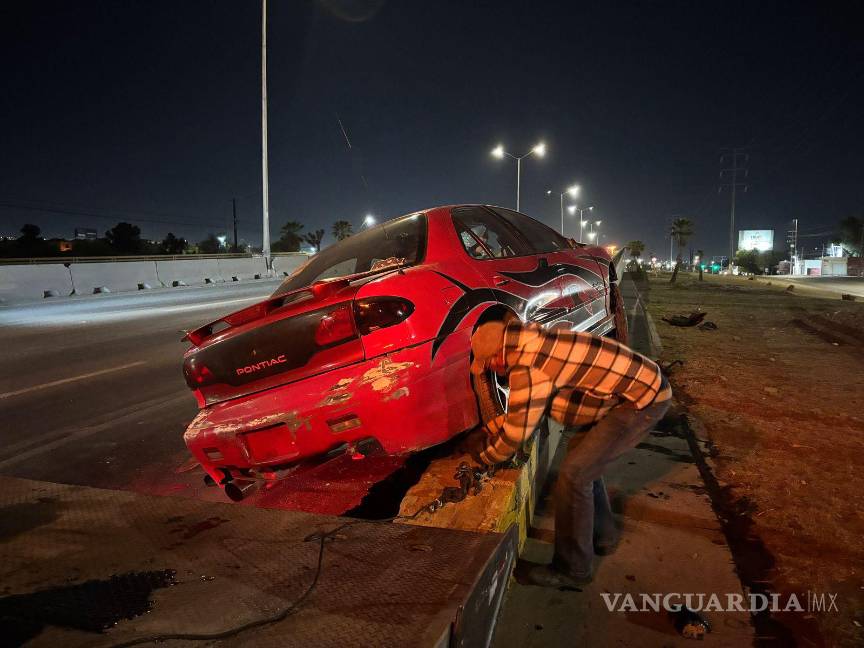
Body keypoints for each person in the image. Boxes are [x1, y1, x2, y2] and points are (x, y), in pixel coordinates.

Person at [469, 319, 672, 587]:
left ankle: (572, 570)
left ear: (499, 354)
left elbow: (517, 434)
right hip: (637, 387)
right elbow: (531, 407)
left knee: (574, 475)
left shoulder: (529, 367)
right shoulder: (538, 339)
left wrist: (483, 457)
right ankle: (603, 536)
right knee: (583, 461)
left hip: (641, 402)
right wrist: (499, 424)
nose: (492, 369)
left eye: (489, 363)